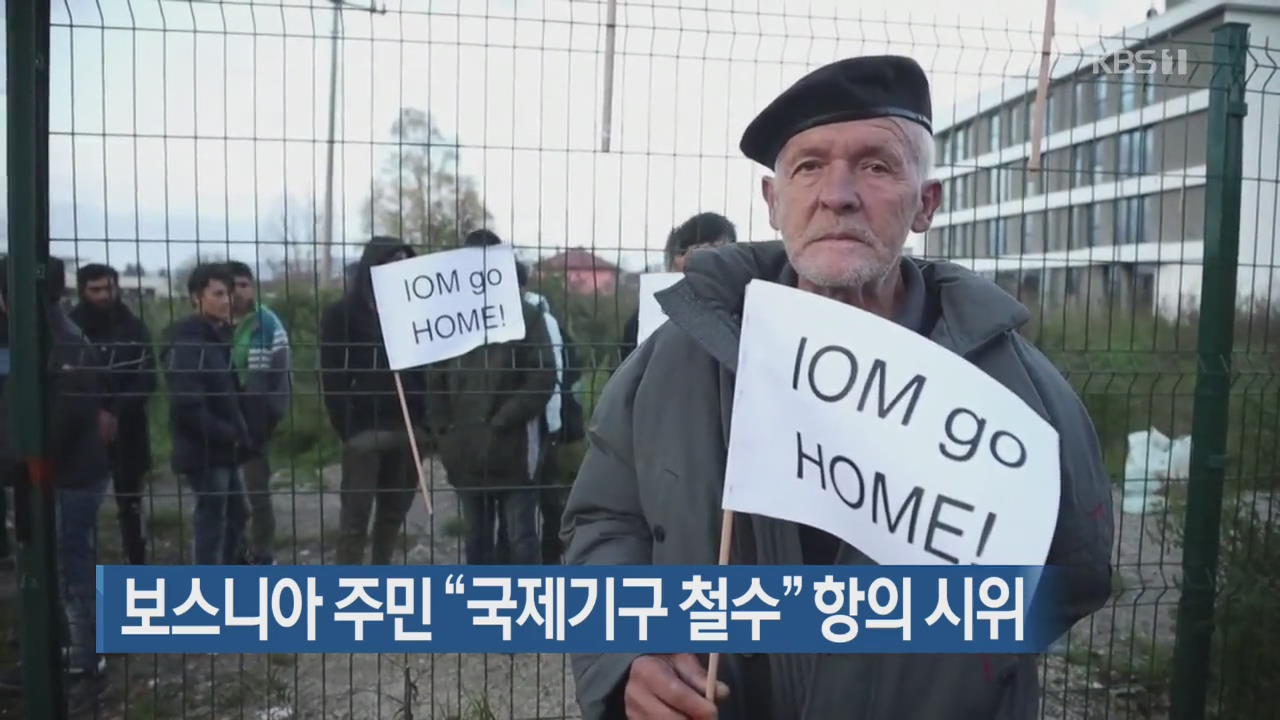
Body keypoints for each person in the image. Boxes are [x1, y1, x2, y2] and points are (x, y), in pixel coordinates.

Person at [561, 55, 1114, 720]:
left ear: (926, 204)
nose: (838, 194)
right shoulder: (678, 359)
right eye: (809, 166)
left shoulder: (1014, 390)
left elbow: (1073, 577)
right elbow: (604, 521)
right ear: (773, 201)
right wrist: (626, 650)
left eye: (877, 165)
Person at [0, 257, 112, 710]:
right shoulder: (33, 338)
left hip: (66, 478)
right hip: (37, 478)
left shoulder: (60, 342)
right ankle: (54, 655)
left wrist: (16, 457)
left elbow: (63, 419)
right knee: (45, 569)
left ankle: (87, 663)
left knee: (71, 569)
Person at [426, 230, 555, 565]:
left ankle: (527, 610)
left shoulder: (526, 316)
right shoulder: (448, 319)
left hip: (513, 447)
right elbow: (434, 381)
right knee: (476, 541)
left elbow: (542, 375)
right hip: (465, 450)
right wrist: (445, 433)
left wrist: (503, 419)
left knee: (521, 539)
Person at [320, 236, 428, 565]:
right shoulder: (342, 314)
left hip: (409, 431)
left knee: (393, 514)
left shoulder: (416, 313)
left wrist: (426, 423)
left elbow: (429, 368)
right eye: (391, 264)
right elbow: (332, 376)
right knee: (355, 519)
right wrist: (349, 428)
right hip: (365, 432)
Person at [69, 263, 157, 565]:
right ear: (82, 291)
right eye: (96, 290)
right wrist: (96, 412)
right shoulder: (71, 329)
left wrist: (115, 411)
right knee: (80, 505)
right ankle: (81, 573)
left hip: (128, 427)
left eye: (109, 288)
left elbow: (148, 378)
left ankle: (136, 565)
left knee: (131, 503)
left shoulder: (132, 327)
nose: (105, 295)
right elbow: (64, 382)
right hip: (82, 431)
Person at [166, 263, 252, 565]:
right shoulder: (189, 342)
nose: (226, 300)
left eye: (228, 293)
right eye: (217, 294)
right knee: (213, 525)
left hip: (222, 447)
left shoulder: (214, 336)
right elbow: (187, 406)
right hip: (205, 449)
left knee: (235, 516)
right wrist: (229, 434)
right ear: (195, 297)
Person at [225, 261, 291, 565]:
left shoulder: (267, 325)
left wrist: (267, 418)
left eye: (245, 285)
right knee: (224, 495)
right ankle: (231, 553)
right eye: (233, 285)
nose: (239, 292)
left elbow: (281, 376)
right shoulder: (215, 324)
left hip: (255, 424)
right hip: (218, 422)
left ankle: (262, 553)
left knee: (257, 493)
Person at [620, 212, 738, 361]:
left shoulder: (743, 312)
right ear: (676, 259)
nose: (708, 258)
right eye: (697, 250)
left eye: (717, 249)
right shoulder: (642, 320)